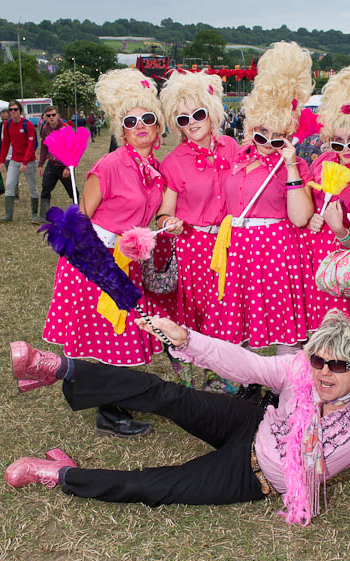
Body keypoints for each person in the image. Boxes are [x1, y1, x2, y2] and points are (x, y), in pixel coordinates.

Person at [5, 311, 350, 561]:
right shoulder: (298, 371)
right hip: (250, 424)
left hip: (255, 476)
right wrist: (186, 339)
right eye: (319, 360)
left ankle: (60, 475)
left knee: (155, 486)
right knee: (167, 394)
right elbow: (245, 363)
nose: (325, 372)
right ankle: (56, 368)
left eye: (339, 366)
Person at [42, 68, 168, 438]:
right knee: (108, 333)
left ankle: (107, 400)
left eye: (148, 118)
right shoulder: (108, 166)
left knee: (119, 333)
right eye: (132, 121)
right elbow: (81, 218)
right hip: (96, 259)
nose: (141, 126)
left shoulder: (156, 171)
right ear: (122, 130)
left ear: (158, 127)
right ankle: (109, 412)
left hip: (130, 260)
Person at [209, 41, 314, 407]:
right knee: (238, 326)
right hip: (236, 250)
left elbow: (300, 217)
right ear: (251, 126)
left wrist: (288, 164)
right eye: (261, 134)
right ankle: (241, 389)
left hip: (273, 250)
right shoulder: (237, 156)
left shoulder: (292, 166)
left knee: (283, 329)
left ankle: (293, 395)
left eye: (278, 137)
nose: (268, 142)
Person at [157, 69, 239, 392]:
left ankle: (222, 376)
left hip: (231, 244)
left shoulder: (233, 148)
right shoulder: (174, 162)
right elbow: (164, 212)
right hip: (193, 248)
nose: (192, 122)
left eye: (198, 114)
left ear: (212, 112)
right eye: (182, 118)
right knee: (198, 313)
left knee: (229, 311)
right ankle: (192, 377)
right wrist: (168, 224)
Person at [302, 65, 350, 336]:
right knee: (313, 330)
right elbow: (307, 203)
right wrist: (311, 217)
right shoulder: (322, 161)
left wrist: (339, 230)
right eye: (337, 142)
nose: (345, 149)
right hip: (311, 261)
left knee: (339, 333)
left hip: (340, 270)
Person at [0, 100, 39, 223]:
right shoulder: (8, 124)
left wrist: (25, 162)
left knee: (32, 187)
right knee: (9, 185)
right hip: (14, 161)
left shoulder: (28, 125)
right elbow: (5, 143)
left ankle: (34, 214)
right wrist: (1, 161)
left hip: (29, 161)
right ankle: (8, 215)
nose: (13, 112)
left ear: (20, 111)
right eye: (11, 109)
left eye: (15, 109)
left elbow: (31, 145)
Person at [37, 105, 74, 223]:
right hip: (52, 164)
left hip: (65, 164)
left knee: (72, 190)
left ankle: (79, 212)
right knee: (45, 188)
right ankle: (42, 215)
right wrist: (41, 164)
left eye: (53, 115)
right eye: (49, 116)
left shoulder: (65, 128)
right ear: (45, 117)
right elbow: (43, 147)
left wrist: (68, 168)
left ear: (57, 115)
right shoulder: (45, 129)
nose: (51, 117)